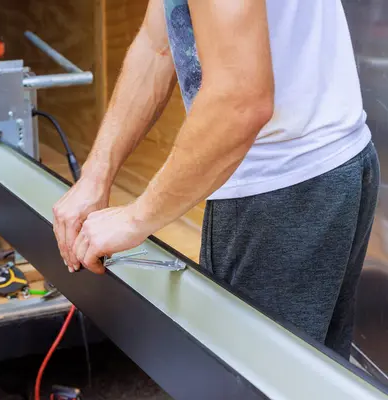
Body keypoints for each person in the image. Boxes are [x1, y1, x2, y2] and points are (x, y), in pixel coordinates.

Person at [52, 0, 379, 359]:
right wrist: (96, 176)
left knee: (254, 378)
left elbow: (240, 101)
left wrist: (135, 218)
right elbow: (158, 43)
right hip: (319, 168)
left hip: (284, 190)